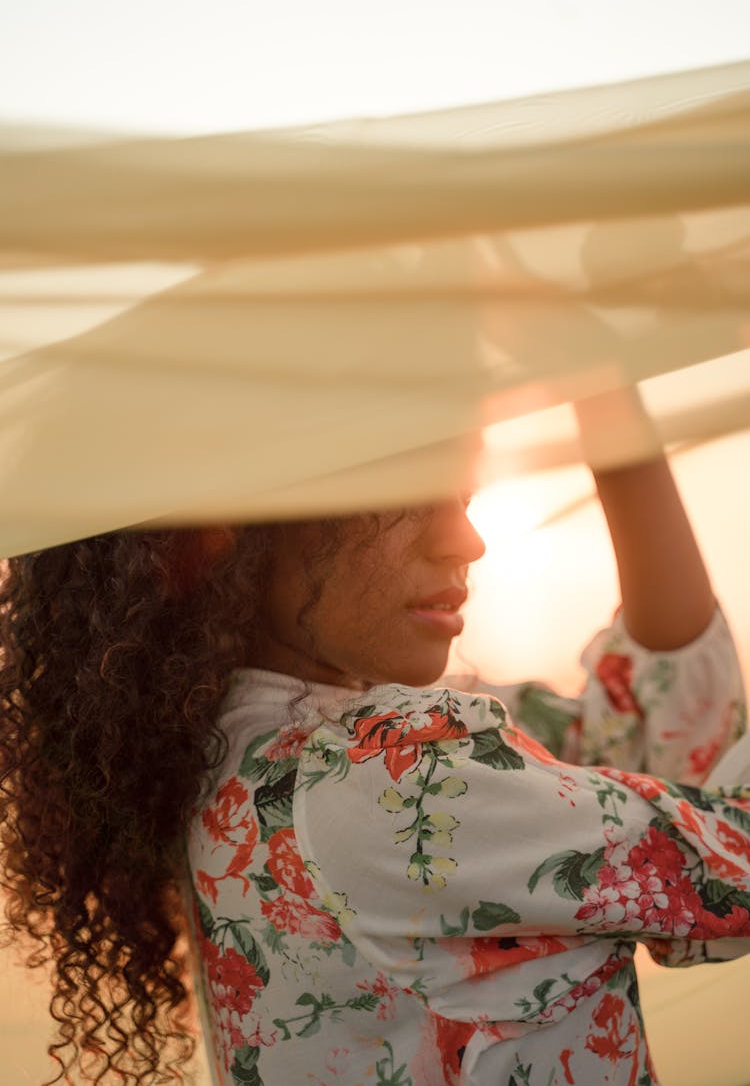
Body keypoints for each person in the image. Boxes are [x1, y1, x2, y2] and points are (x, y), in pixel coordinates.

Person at [0, 440, 748, 1085]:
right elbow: (731, 856)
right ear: (241, 520)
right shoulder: (385, 774)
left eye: (463, 491)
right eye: (400, 492)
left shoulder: (237, 751)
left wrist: (606, 392)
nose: (467, 539)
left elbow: (655, 725)